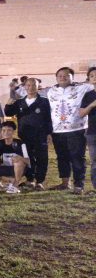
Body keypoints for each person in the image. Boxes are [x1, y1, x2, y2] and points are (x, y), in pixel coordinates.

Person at [43, 66, 94, 194]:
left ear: (72, 77)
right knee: (62, 157)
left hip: (77, 129)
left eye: (66, 75)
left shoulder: (83, 88)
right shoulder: (50, 91)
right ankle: (65, 183)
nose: (63, 77)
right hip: (57, 131)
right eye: (60, 76)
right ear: (56, 78)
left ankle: (79, 185)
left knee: (77, 157)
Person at [4, 77, 52, 189]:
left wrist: (49, 133)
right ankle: (30, 179)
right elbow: (8, 112)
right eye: (28, 85)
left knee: (41, 158)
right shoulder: (20, 102)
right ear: (24, 87)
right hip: (24, 135)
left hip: (40, 135)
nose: (31, 87)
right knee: (27, 157)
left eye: (34, 85)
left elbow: (49, 119)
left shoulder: (44, 101)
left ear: (38, 87)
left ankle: (40, 181)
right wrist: (10, 101)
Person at [0, 121, 30, 195]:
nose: (6, 132)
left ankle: (15, 186)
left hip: (18, 169)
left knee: (18, 162)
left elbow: (28, 161)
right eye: (3, 130)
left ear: (13, 131)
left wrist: (20, 158)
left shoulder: (20, 143)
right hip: (5, 169)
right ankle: (9, 181)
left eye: (9, 130)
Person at [79, 66, 96, 193]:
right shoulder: (88, 95)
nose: (94, 77)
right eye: (92, 76)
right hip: (93, 133)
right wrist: (92, 104)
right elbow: (81, 113)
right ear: (89, 79)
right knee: (95, 161)